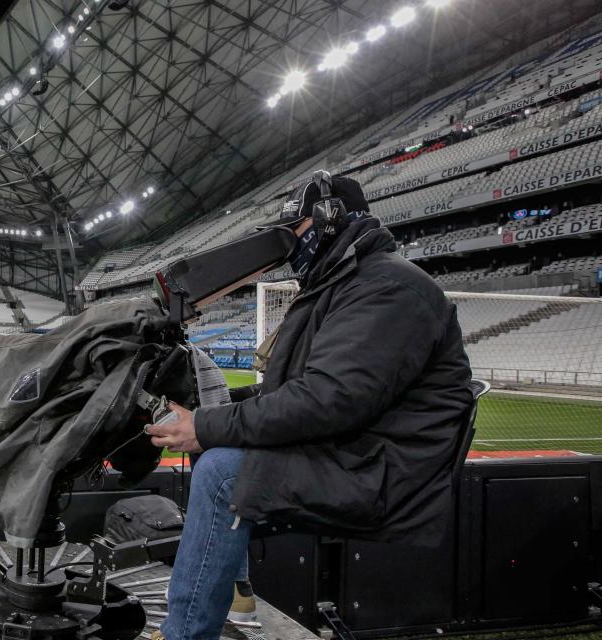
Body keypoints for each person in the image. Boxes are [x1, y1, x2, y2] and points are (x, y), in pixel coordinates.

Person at [146, 172, 472, 640]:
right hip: (352, 450)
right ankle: (237, 592)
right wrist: (215, 406)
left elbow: (327, 401)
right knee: (214, 448)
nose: (285, 247)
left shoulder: (389, 288)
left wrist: (209, 426)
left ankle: (186, 633)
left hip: (381, 470)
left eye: (294, 231)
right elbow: (300, 391)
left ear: (330, 220)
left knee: (221, 472)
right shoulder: (343, 282)